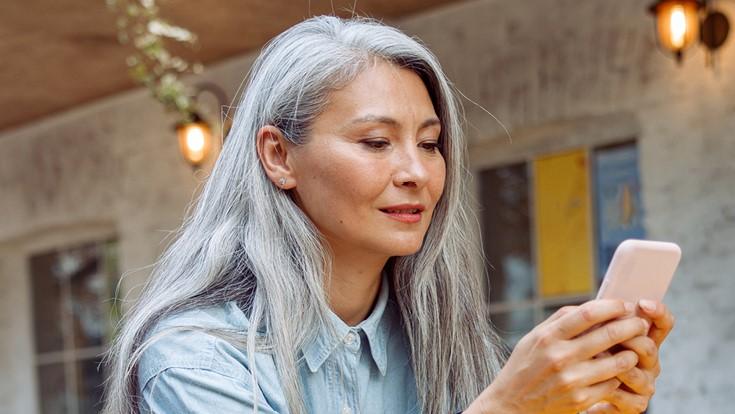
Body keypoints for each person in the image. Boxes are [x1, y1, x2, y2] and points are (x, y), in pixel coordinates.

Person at [101, 15, 674, 414]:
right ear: (279, 156)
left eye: (429, 144)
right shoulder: (196, 361)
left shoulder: (448, 339)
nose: (418, 173)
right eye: (376, 142)